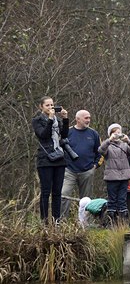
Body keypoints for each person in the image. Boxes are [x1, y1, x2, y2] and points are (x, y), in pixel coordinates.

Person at [32, 96, 69, 224]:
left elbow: (64, 135)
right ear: (41, 107)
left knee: (57, 192)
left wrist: (65, 119)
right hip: (45, 159)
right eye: (47, 105)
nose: (50, 108)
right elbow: (43, 135)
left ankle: (56, 220)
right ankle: (44, 220)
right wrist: (49, 119)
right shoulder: (37, 120)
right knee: (46, 191)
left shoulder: (57, 120)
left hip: (59, 157)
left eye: (52, 105)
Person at [60, 110, 101, 219]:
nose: (88, 120)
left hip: (87, 171)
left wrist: (95, 166)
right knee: (63, 195)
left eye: (89, 118)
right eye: (86, 118)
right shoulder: (68, 132)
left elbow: (100, 152)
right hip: (69, 171)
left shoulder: (94, 134)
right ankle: (61, 223)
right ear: (78, 119)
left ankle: (85, 224)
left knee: (86, 200)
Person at [99, 123, 130, 225]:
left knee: (122, 200)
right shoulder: (108, 146)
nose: (117, 134)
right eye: (115, 133)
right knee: (112, 200)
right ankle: (110, 222)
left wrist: (129, 141)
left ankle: (123, 223)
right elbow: (100, 150)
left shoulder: (124, 145)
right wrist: (109, 140)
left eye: (119, 132)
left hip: (124, 177)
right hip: (112, 178)